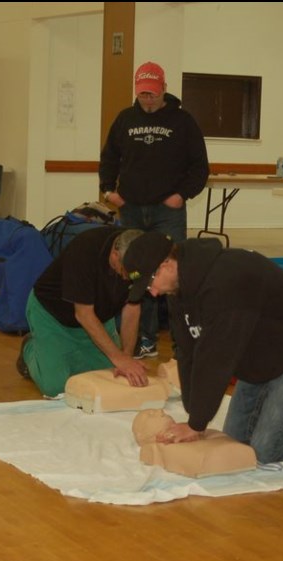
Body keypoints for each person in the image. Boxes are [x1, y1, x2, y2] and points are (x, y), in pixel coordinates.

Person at [121, 232, 283, 464]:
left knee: (266, 451)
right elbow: (189, 352)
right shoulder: (178, 290)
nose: (152, 292)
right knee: (237, 444)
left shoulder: (226, 281)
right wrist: (194, 418)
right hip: (257, 359)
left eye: (150, 281)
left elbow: (216, 358)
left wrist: (195, 423)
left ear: (167, 263)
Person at [98, 61, 210, 359]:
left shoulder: (183, 121)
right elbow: (108, 158)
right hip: (131, 209)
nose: (147, 100)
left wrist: (182, 195)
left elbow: (200, 166)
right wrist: (109, 190)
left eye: (152, 94)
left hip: (167, 211)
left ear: (163, 90)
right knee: (135, 274)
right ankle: (142, 340)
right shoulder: (125, 119)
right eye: (142, 94)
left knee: (176, 274)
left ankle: (181, 342)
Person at [19, 227, 149, 398]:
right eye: (124, 271)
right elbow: (83, 314)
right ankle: (29, 348)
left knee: (110, 379)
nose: (126, 278)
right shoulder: (85, 250)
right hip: (53, 316)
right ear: (114, 254)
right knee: (55, 387)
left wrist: (126, 356)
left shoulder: (141, 254)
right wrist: (118, 358)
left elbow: (132, 308)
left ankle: (67, 354)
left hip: (99, 318)